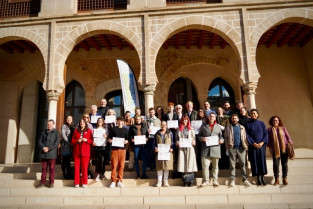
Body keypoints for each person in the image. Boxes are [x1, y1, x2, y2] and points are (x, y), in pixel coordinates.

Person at [224, 114, 252, 187]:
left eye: (235, 118)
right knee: (232, 165)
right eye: (233, 118)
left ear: (238, 119)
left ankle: (244, 179)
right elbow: (226, 138)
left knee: (243, 164)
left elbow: (245, 137)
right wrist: (227, 147)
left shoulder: (242, 127)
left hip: (241, 148)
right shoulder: (228, 128)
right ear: (231, 119)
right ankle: (232, 180)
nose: (234, 119)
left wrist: (245, 146)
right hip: (232, 148)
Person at [198, 112, 224, 187]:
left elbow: (221, 136)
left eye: (213, 116)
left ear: (215, 118)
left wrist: (221, 140)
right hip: (205, 149)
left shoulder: (218, 127)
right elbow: (199, 136)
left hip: (215, 149)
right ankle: (206, 180)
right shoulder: (203, 126)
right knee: (205, 166)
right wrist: (202, 138)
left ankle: (215, 180)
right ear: (208, 118)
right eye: (210, 116)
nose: (211, 117)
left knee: (215, 166)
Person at [267, 116, 294, 186]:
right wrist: (269, 148)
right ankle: (277, 179)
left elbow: (288, 137)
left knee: (284, 164)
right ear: (272, 122)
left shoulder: (283, 128)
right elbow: (269, 140)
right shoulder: (269, 130)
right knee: (275, 164)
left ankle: (284, 178)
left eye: (277, 120)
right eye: (274, 120)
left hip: (284, 149)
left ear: (279, 121)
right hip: (275, 150)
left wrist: (290, 142)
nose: (275, 121)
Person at [245, 109, 268, 186]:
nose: (253, 115)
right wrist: (253, 143)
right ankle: (258, 177)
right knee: (255, 161)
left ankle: (262, 176)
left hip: (261, 146)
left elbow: (265, 133)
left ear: (257, 114)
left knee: (261, 160)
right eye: (251, 114)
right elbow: (247, 135)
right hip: (253, 146)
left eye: (254, 113)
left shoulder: (262, 123)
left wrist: (262, 142)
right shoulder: (248, 124)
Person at [36, 119, 60, 188]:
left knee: (52, 168)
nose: (49, 126)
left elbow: (57, 143)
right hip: (44, 153)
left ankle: (51, 183)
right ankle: (42, 182)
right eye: (48, 124)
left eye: (50, 124)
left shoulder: (56, 132)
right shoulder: (43, 132)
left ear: (53, 125)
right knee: (44, 168)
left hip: (52, 153)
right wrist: (43, 147)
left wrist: (49, 148)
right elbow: (39, 141)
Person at [176, 115, 198, 186]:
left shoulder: (191, 129)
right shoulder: (179, 129)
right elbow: (176, 139)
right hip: (182, 149)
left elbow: (194, 138)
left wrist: (194, 142)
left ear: (188, 121)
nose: (185, 121)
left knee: (190, 163)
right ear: (182, 120)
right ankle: (185, 181)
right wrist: (177, 142)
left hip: (190, 148)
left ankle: (191, 180)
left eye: (186, 119)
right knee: (183, 164)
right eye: (183, 119)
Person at [71, 118, 93, 188]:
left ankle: (84, 182)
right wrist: (77, 140)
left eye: (83, 122)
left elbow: (92, 141)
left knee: (84, 168)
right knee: (77, 168)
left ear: (85, 123)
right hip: (77, 152)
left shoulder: (89, 131)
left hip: (86, 152)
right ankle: (77, 182)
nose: (81, 123)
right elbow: (72, 141)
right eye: (80, 122)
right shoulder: (76, 131)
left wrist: (87, 140)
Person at [108, 116, 129, 188]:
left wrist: (126, 141)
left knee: (121, 166)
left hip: (123, 149)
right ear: (117, 121)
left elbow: (127, 139)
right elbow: (109, 138)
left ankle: (120, 180)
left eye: (121, 121)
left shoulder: (125, 130)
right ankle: (113, 180)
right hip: (115, 150)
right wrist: (109, 140)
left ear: (123, 122)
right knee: (114, 166)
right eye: (119, 121)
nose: (120, 122)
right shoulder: (113, 129)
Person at [153, 121, 174, 187]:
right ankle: (159, 181)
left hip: (168, 152)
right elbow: (154, 144)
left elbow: (173, 142)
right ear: (160, 125)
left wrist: (172, 148)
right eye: (162, 125)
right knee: (160, 167)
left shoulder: (170, 133)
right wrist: (155, 148)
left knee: (166, 167)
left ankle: (165, 181)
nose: (163, 126)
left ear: (167, 125)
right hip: (160, 153)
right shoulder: (157, 133)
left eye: (165, 125)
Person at [60, 116, 75, 180]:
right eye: (68, 118)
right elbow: (63, 135)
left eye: (70, 119)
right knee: (64, 161)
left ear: (72, 120)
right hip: (65, 146)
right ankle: (64, 174)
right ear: (66, 120)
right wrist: (69, 142)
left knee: (68, 161)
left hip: (71, 147)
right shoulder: (64, 126)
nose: (69, 120)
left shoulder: (73, 126)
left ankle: (68, 174)